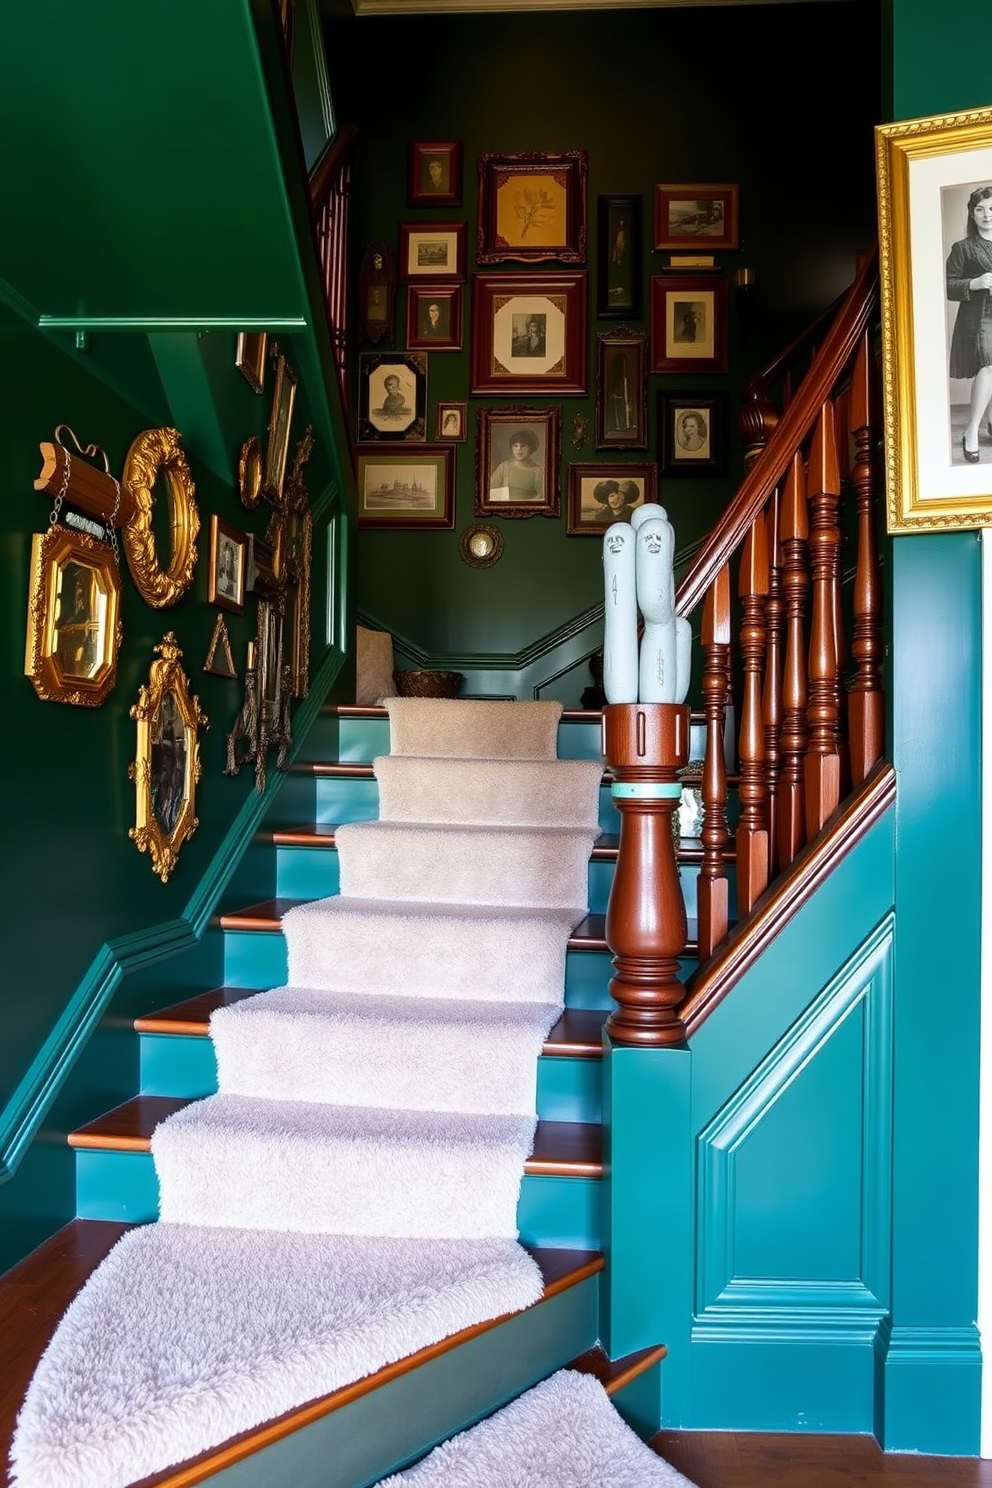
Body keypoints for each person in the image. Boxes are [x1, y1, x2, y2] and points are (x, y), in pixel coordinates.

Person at [946, 183, 992, 464]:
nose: (987, 215)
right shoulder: (963, 248)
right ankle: (971, 431)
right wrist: (974, 283)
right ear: (972, 214)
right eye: (980, 209)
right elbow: (948, 285)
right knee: (989, 365)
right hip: (980, 318)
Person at [490, 428, 543, 502]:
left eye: (523, 446)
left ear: (530, 448)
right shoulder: (504, 467)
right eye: (515, 446)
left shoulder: (538, 471)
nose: (519, 449)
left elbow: (542, 497)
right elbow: (490, 489)